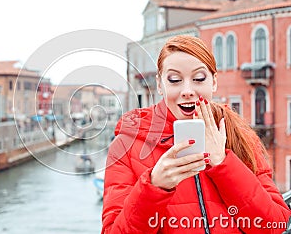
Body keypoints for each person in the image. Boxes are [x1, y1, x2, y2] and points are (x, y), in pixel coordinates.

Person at [101, 35, 291, 233]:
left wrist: (223, 163)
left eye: (199, 79)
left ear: (214, 82)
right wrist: (154, 186)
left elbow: (273, 225)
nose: (187, 91)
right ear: (159, 84)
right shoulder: (126, 147)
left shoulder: (240, 134)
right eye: (174, 80)